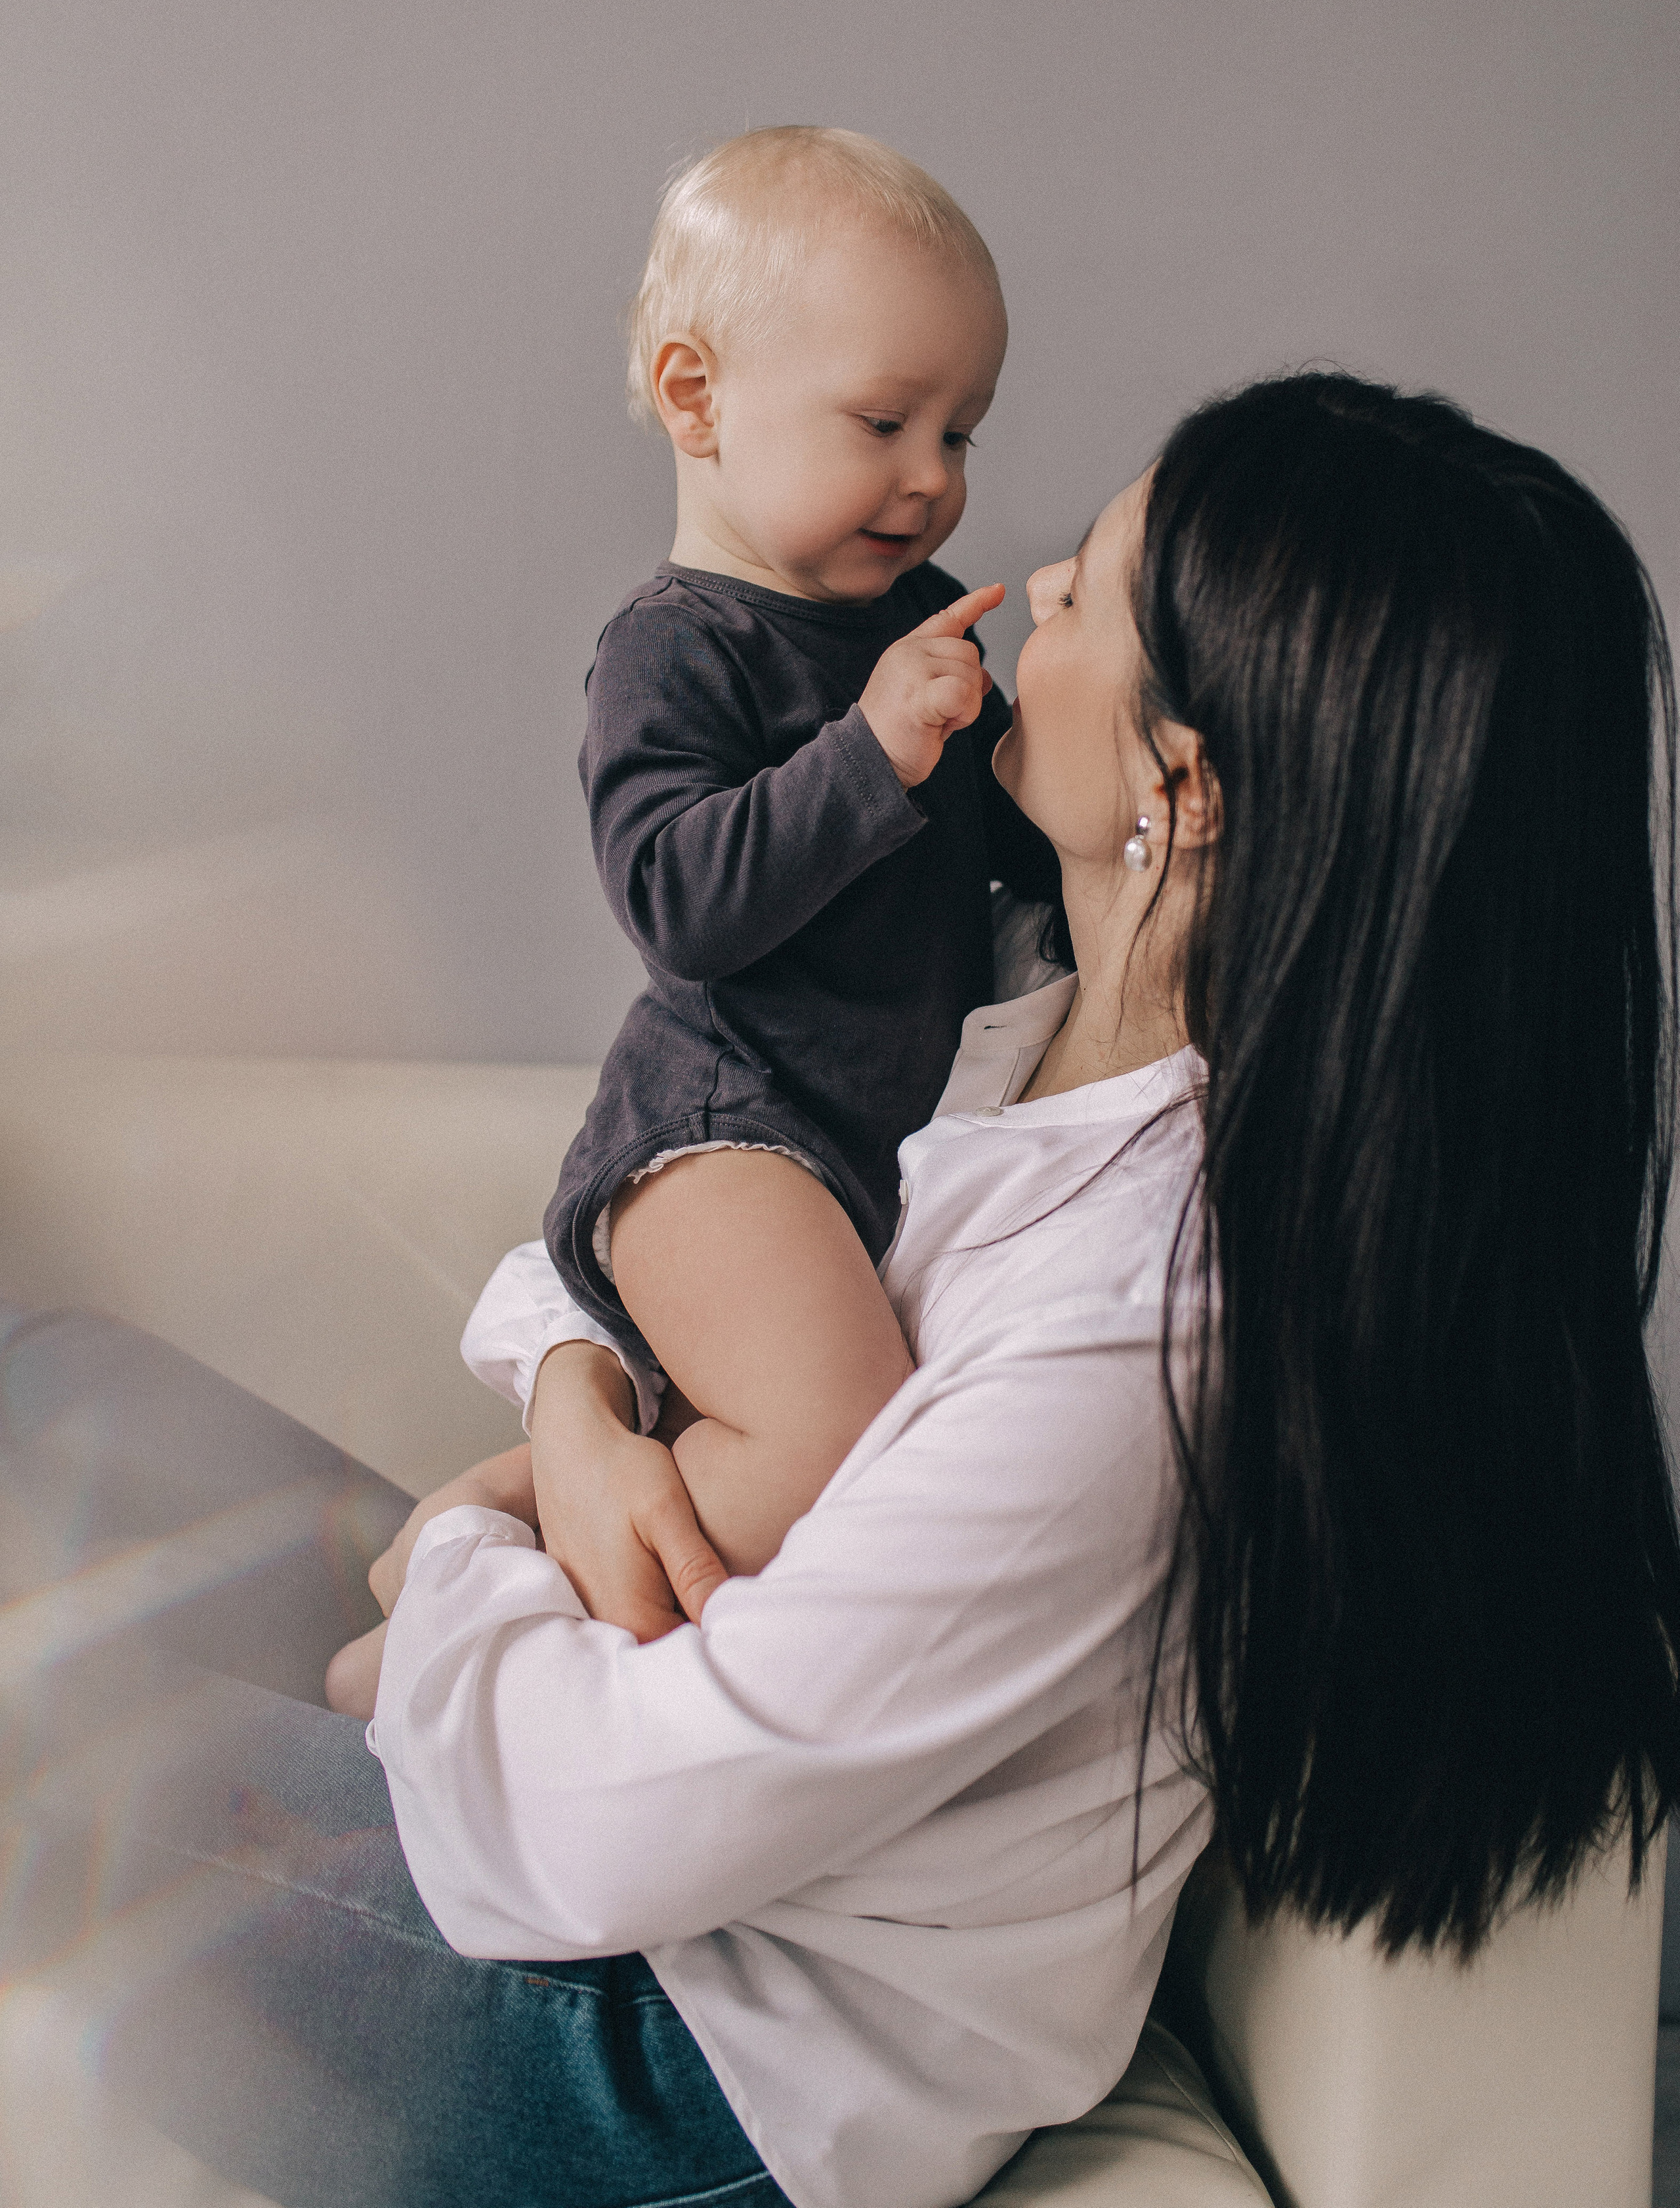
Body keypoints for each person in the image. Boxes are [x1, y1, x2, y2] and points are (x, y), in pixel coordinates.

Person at [8, 373, 1678, 2208]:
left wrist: (465, 1569)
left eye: (1089, 592)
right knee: (53, 1393)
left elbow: (602, 1836)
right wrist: (571, 1413)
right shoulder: (1000, 1005)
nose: (1024, 582)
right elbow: (637, 1183)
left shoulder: (1134, 1345)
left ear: (1179, 788)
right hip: (616, 1686)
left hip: (675, 2060)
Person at [325, 126, 1062, 1712]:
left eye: (961, 431)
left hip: (849, 1144)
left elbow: (1013, 862)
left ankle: (478, 1525)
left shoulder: (903, 645)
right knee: (834, 1443)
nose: (932, 477)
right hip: (726, 1131)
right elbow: (681, 903)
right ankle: (434, 1654)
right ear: (694, 397)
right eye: (883, 420)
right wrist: (872, 749)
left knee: (759, 1431)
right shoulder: (674, 648)